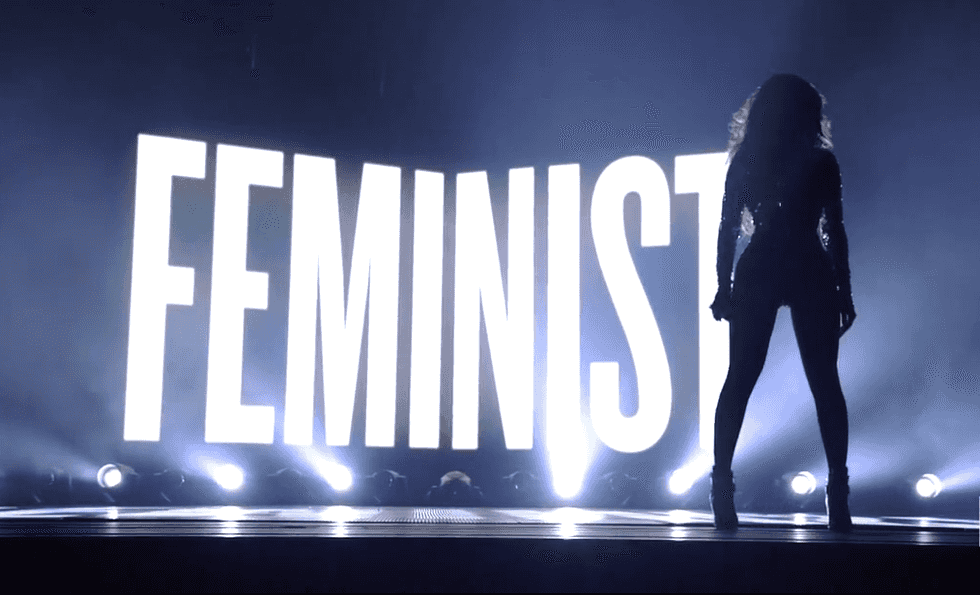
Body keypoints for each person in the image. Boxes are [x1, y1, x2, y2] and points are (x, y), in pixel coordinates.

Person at [709, 74, 855, 532]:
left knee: (741, 378)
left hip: (765, 265)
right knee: (823, 382)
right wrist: (844, 289)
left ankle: (721, 485)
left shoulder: (749, 160)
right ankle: (838, 492)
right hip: (807, 266)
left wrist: (724, 286)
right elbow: (834, 228)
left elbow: (728, 228)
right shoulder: (820, 161)